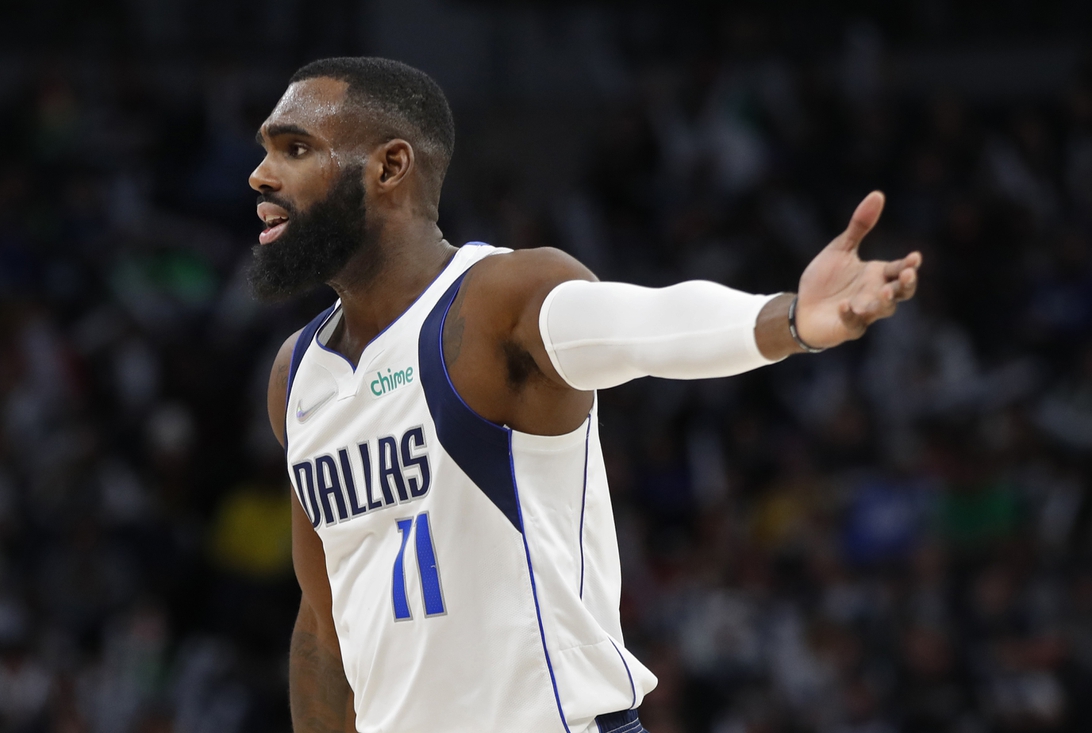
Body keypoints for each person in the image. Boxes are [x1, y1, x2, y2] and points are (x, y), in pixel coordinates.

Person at [251, 57, 921, 733]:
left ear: (390, 167)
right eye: (267, 150)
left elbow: (645, 325)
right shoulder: (297, 374)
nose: (262, 174)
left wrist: (790, 320)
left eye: (295, 148)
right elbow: (322, 615)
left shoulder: (496, 300)